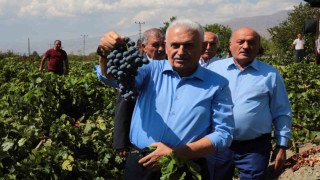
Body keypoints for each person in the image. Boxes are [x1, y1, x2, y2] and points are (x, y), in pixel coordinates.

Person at [95, 18, 234, 179]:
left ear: (202, 47)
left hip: (186, 165)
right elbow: (112, 77)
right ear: (166, 46)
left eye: (189, 45)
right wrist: (104, 54)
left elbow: (223, 134)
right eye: (175, 45)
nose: (181, 52)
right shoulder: (149, 69)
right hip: (141, 162)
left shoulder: (218, 85)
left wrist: (176, 153)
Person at [207, 27, 292, 180]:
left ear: (258, 47)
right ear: (230, 44)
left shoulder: (270, 74)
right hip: (217, 145)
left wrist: (282, 145)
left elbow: (281, 111)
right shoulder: (213, 70)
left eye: (251, 42)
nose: (245, 46)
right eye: (241, 42)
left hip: (254, 148)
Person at [113, 28, 166, 158]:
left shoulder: (174, 65)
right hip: (143, 141)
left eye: (163, 45)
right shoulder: (134, 68)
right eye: (155, 45)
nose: (160, 49)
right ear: (144, 47)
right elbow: (124, 105)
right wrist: (120, 141)